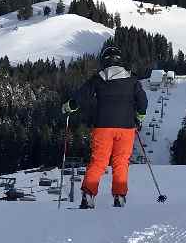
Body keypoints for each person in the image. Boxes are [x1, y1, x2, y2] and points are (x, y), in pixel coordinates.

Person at [61, 45, 147, 209]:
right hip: (126, 128)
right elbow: (142, 101)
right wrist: (139, 117)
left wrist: (70, 106)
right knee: (121, 162)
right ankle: (119, 197)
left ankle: (88, 195)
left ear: (104, 61)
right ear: (120, 61)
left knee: (98, 161)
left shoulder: (98, 78)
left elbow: (82, 95)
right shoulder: (132, 79)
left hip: (103, 127)